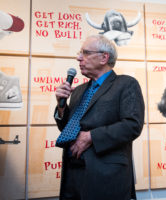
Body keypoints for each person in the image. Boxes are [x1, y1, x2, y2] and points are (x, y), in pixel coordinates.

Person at [54, 34, 145, 200]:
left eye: (85, 53)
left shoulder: (126, 84)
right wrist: (61, 106)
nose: (78, 58)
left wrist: (91, 137)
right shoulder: (79, 91)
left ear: (104, 57)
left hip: (106, 177)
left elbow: (132, 125)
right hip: (73, 176)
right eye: (79, 53)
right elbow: (67, 129)